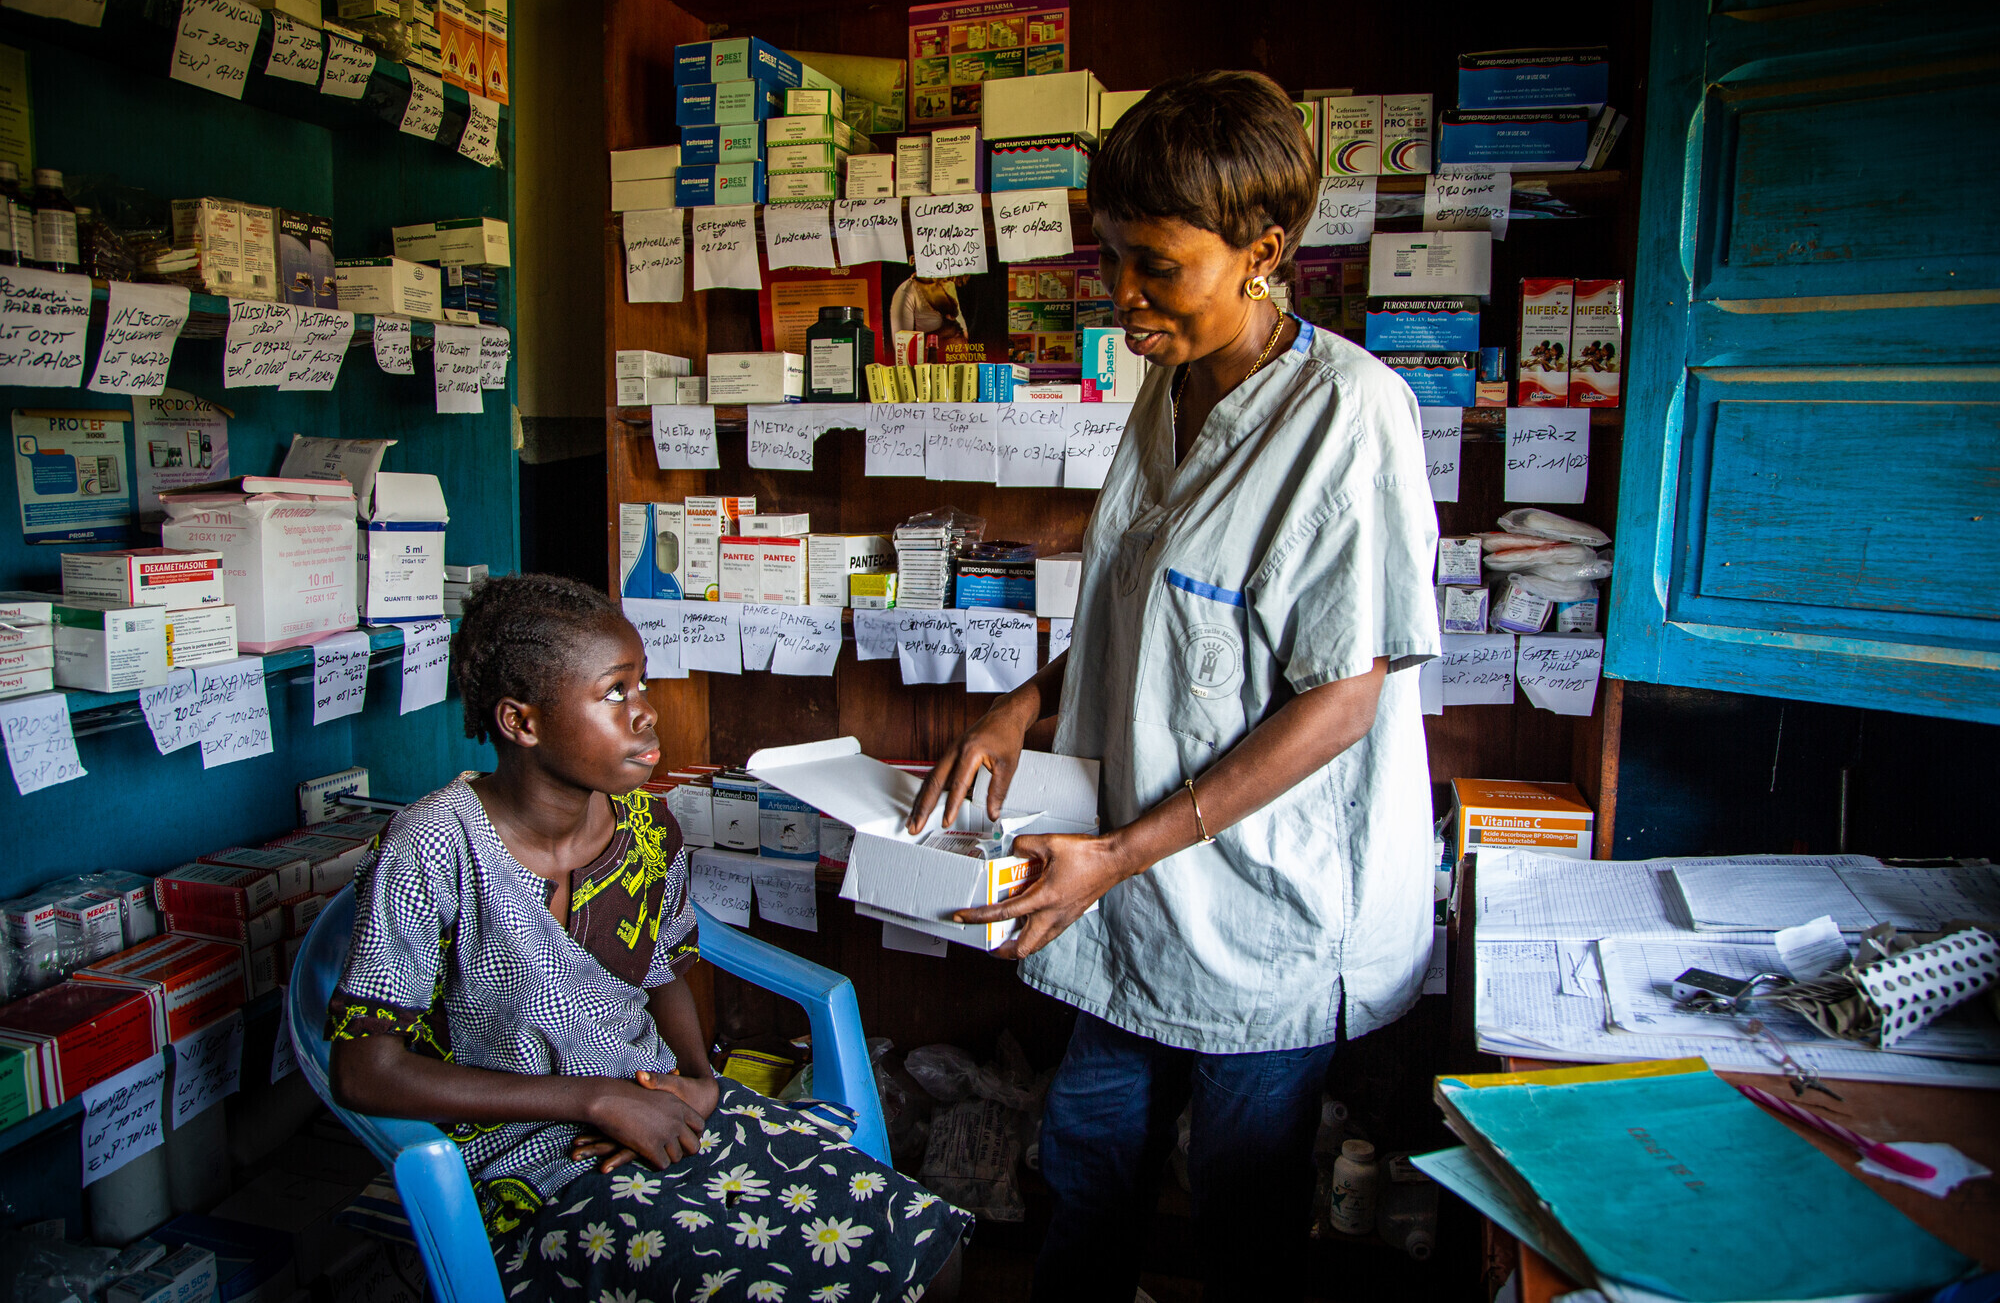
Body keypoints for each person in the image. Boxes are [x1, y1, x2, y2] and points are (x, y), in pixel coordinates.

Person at [907, 71, 1441, 1301]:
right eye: (1112, 259)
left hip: (1264, 904)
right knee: (1088, 1167)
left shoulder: (1352, 419)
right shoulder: (1168, 382)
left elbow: (1338, 702)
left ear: (1262, 252)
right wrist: (1020, 702)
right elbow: (1144, 614)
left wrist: (1117, 851)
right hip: (1128, 882)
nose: (1123, 298)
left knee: (1239, 1214)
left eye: (1157, 266)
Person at [328, 574, 970, 1302]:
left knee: (924, 1245)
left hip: (658, 1105)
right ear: (522, 721)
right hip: (529, 1162)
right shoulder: (432, 847)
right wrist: (594, 1100)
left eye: (642, 684)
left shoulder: (643, 826)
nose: (647, 713)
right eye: (615, 692)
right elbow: (363, 1072)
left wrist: (696, 1080)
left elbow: (663, 971)